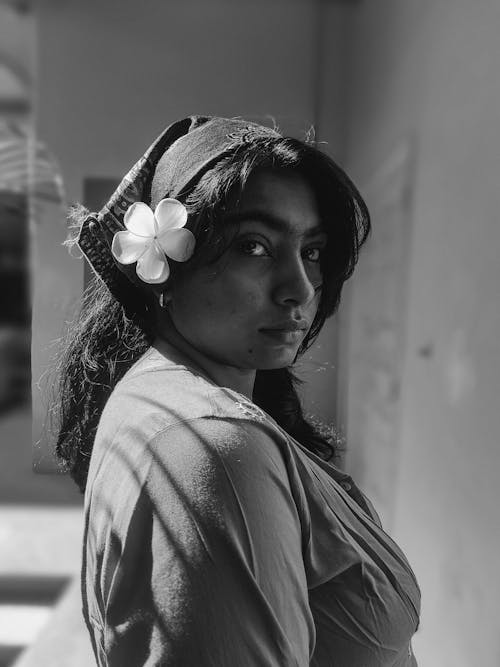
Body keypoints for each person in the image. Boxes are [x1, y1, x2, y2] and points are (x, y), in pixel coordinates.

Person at [54, 115, 421, 666]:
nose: (299, 288)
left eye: (312, 251)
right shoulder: (212, 449)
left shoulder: (166, 398)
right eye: (254, 246)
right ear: (165, 269)